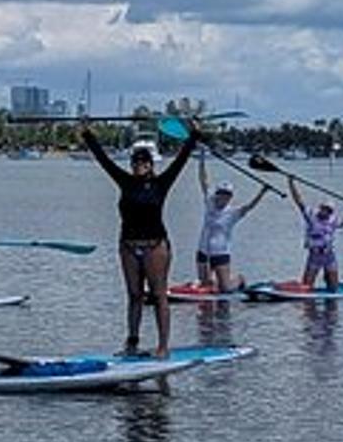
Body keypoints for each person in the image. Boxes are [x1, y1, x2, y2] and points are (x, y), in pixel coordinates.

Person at [81, 122, 200, 357]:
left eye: (143, 163)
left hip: (155, 246)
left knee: (158, 295)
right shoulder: (125, 181)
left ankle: (163, 346)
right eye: (135, 163)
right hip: (128, 245)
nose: (138, 166)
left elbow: (181, 160)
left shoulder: (161, 183)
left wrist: (194, 135)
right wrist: (88, 135)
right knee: (134, 295)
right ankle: (132, 343)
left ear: (151, 165)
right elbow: (104, 160)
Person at [193, 163, 270, 291]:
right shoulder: (209, 201)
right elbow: (203, 180)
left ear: (230, 197)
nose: (223, 197)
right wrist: (202, 158)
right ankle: (208, 282)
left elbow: (249, 207)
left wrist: (262, 192)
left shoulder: (233, 213)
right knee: (205, 285)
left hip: (220, 252)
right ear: (216, 194)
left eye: (227, 195)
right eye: (221, 193)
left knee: (225, 288)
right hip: (203, 250)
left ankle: (239, 279)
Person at [289, 177, 343, 291]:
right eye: (324, 209)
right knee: (307, 286)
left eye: (328, 210)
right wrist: (291, 183)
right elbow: (298, 201)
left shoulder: (333, 220)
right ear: (320, 208)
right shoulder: (310, 215)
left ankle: (331, 293)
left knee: (333, 287)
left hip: (329, 256)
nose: (326, 212)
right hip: (314, 255)